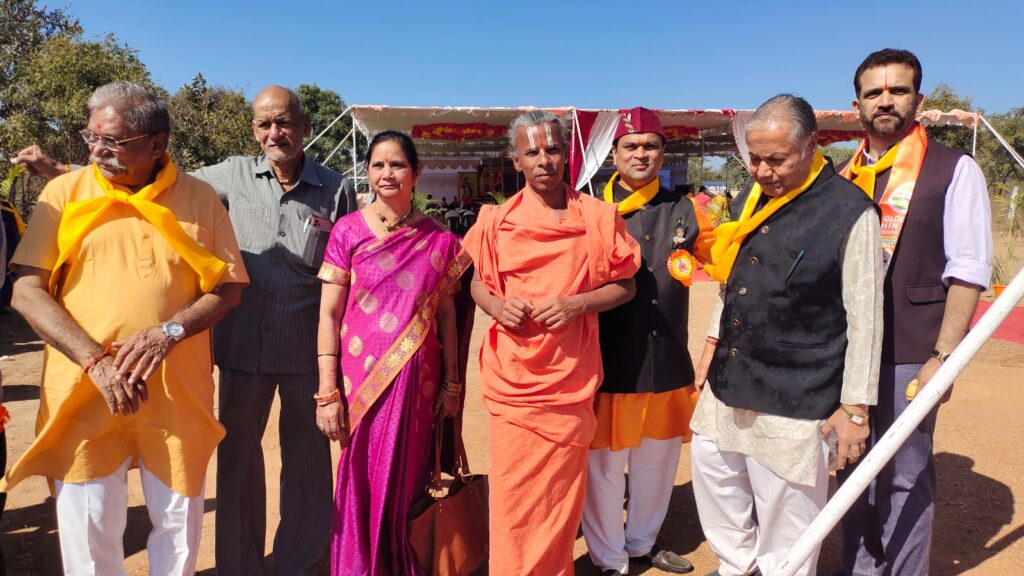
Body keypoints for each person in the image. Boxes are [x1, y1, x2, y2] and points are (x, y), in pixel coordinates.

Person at [10, 85, 358, 575]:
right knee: (236, 464)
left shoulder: (336, 187)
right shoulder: (227, 177)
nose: (274, 133)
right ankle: (240, 567)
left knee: (305, 464)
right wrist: (58, 171)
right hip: (238, 349)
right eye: (263, 124)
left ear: (304, 126)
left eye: (283, 122)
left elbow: (350, 259)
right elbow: (132, 180)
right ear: (253, 130)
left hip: (301, 347)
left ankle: (298, 563)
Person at [3, 81, 248, 575]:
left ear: (157, 144)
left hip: (175, 391)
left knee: (178, 525)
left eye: (113, 141)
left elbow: (229, 287)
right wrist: (94, 359)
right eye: (91, 137)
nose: (97, 150)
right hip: (85, 390)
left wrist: (168, 333)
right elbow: (26, 290)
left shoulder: (200, 197)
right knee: (88, 527)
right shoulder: (63, 193)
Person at [690, 94, 883, 576]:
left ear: (811, 145)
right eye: (754, 158)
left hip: (798, 397)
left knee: (790, 531)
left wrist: (856, 408)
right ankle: (735, 567)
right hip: (729, 384)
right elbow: (732, 286)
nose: (762, 170)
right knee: (717, 483)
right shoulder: (747, 199)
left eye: (777, 159)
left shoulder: (849, 212)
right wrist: (710, 352)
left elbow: (866, 316)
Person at [462, 110, 641, 575]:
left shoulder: (597, 218)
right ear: (515, 160)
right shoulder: (494, 221)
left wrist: (576, 304)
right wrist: (497, 306)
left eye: (553, 149)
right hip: (513, 384)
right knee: (512, 496)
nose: (544, 160)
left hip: (568, 381)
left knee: (559, 499)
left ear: (568, 154)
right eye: (532, 151)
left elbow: (627, 285)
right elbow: (476, 282)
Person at [836, 49, 992, 576]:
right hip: (845, 356)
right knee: (849, 468)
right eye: (874, 92)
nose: (886, 100)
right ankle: (861, 568)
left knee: (905, 473)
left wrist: (943, 358)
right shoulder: (841, 177)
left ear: (918, 100)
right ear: (856, 103)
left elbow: (968, 269)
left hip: (912, 350)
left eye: (897, 90)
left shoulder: (954, 169)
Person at [314, 130, 469, 574]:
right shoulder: (348, 232)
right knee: (361, 479)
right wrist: (327, 392)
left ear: (416, 173)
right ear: (368, 171)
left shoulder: (439, 241)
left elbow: (446, 318)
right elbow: (328, 315)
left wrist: (452, 385)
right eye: (378, 165)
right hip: (361, 385)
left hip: (419, 387)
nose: (387, 173)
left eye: (397, 164)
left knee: (408, 482)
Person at [582, 107, 713, 576]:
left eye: (650, 145)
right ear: (612, 154)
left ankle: (641, 543)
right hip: (606, 362)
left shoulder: (688, 209)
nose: (641, 153)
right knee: (603, 469)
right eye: (630, 146)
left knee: (657, 464)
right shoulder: (587, 210)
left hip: (666, 360)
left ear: (663, 153)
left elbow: (726, 257)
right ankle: (608, 558)